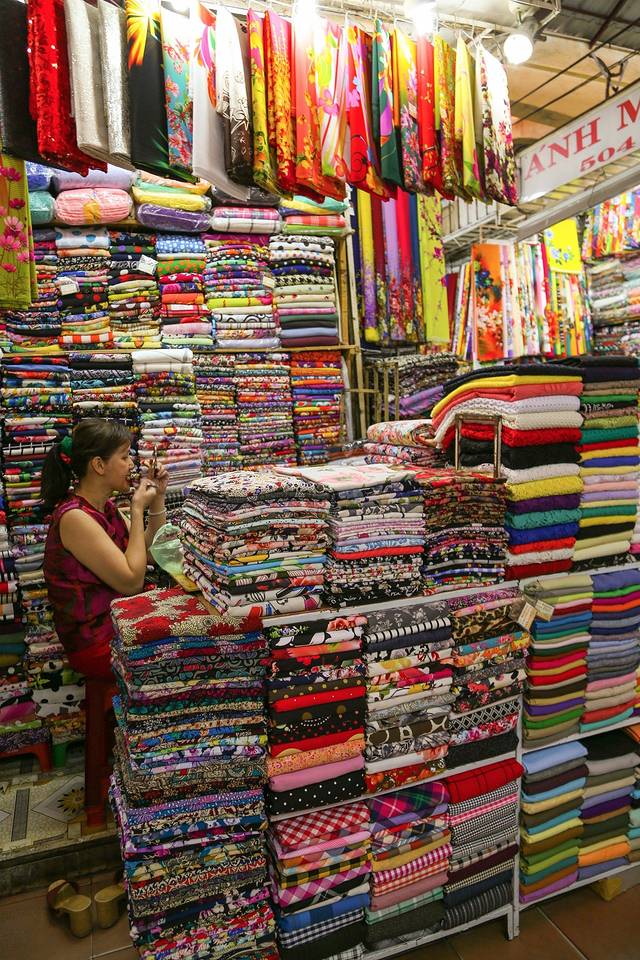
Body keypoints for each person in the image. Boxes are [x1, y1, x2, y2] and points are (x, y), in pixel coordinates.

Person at [42, 418, 169, 680]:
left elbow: (151, 552)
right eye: (124, 457)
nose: (131, 464)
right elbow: (131, 582)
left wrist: (158, 497)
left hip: (119, 621)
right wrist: (136, 508)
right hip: (97, 641)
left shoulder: (105, 508)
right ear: (99, 465)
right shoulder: (75, 517)